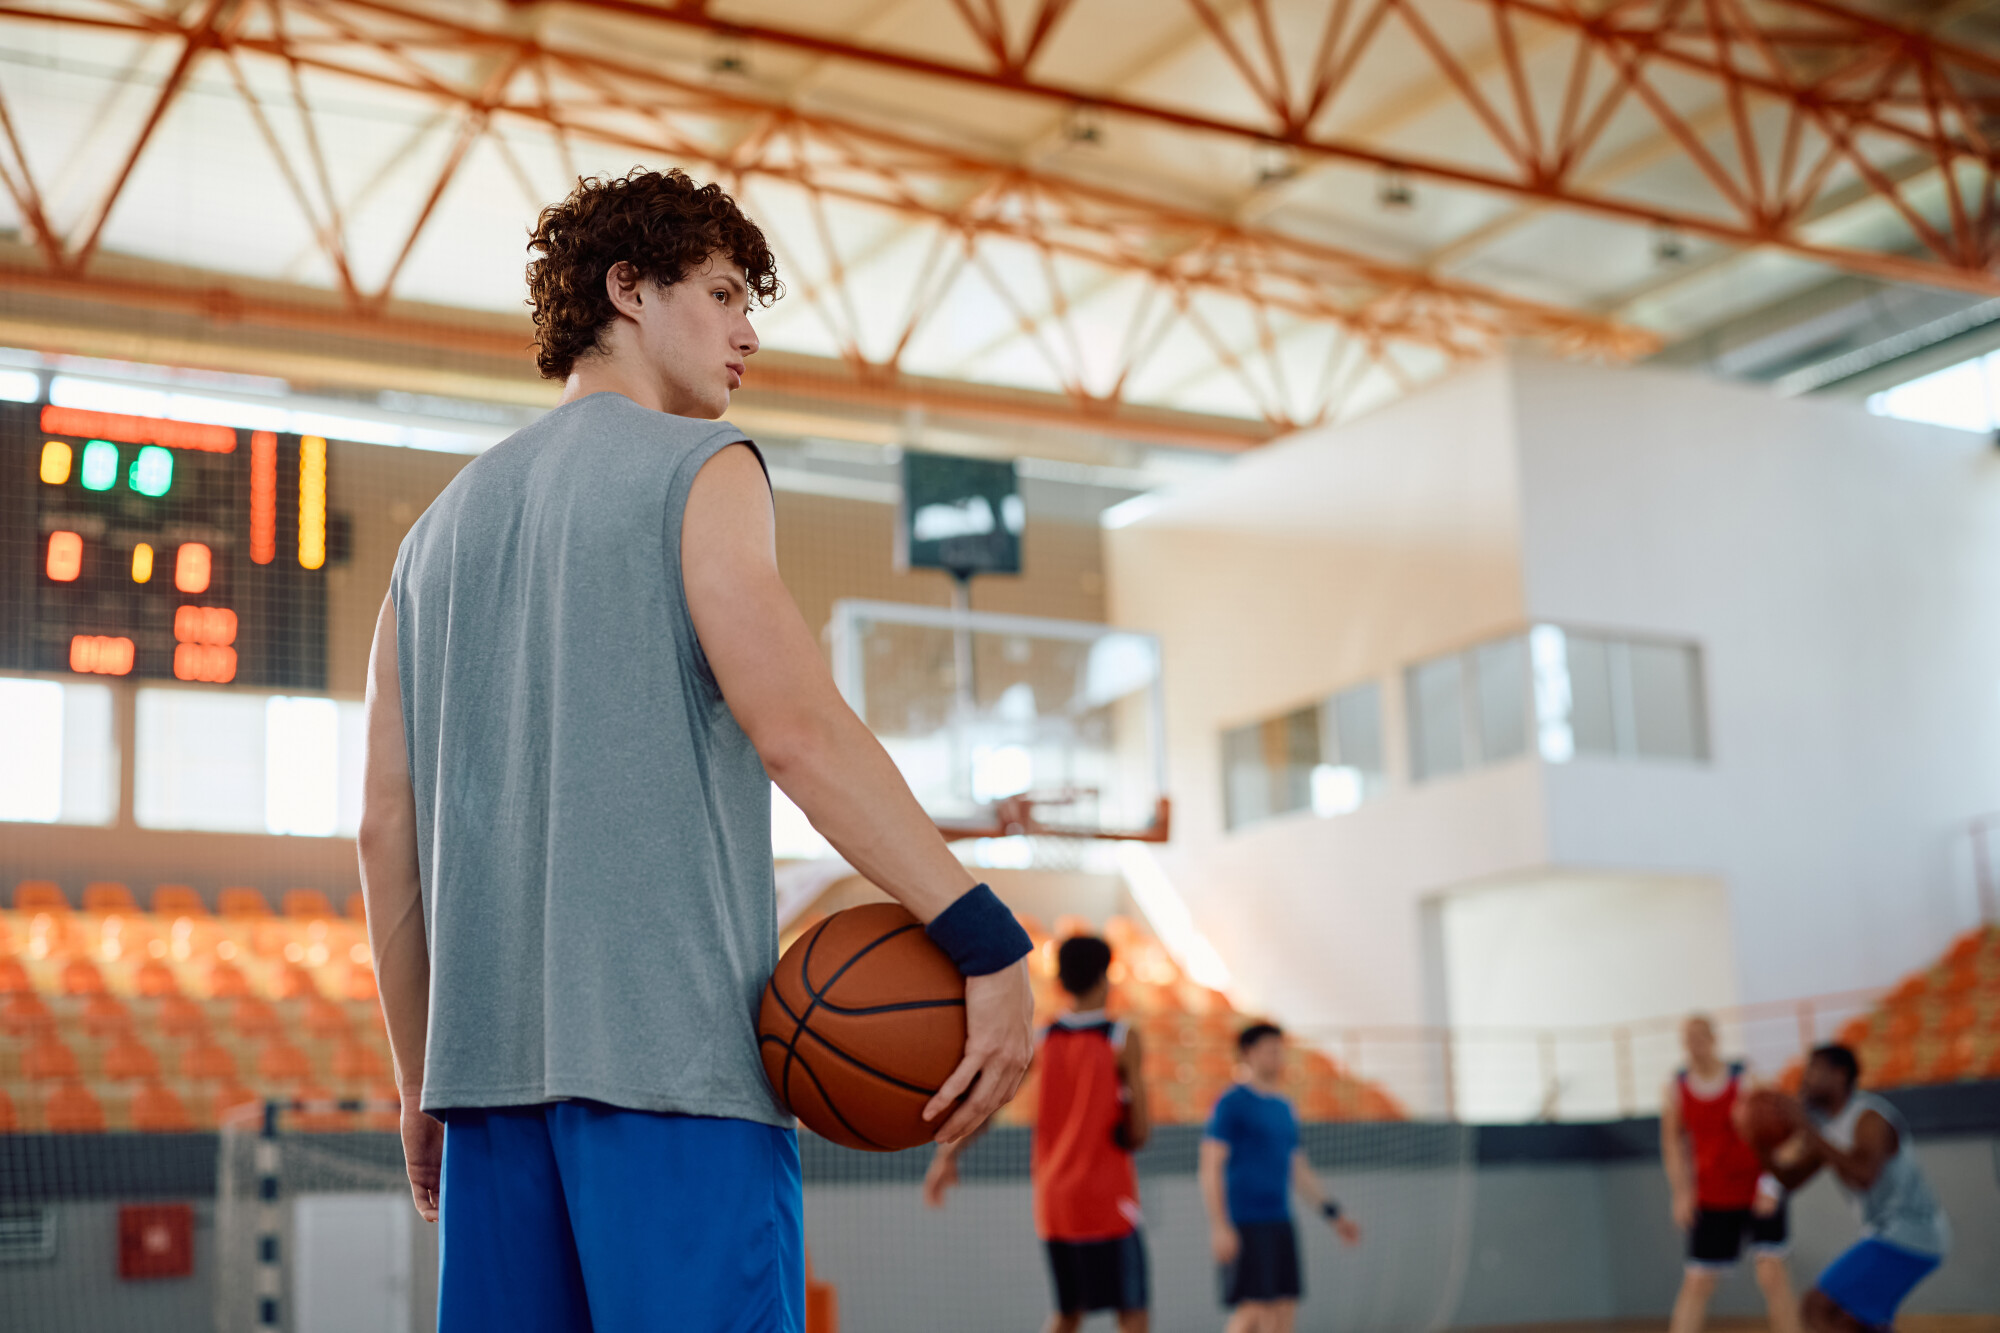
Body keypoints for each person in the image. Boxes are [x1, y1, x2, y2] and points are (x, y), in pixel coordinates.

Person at [357, 167, 1036, 1332]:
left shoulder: (430, 539)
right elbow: (798, 730)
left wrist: (425, 1079)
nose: (747, 333)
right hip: (673, 1078)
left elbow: (384, 836)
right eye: (722, 294)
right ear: (626, 288)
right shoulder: (701, 470)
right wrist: (981, 933)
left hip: (488, 1108)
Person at [925, 935, 1153, 1333]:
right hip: (1107, 1197)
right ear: (1104, 978)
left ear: (1062, 980)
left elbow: (989, 1105)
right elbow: (1139, 1133)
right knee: (1132, 1315)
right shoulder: (1121, 1037)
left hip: (1056, 1201)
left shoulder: (1041, 1038)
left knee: (1068, 1313)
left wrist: (947, 1156)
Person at [1760, 1045, 1951, 1333]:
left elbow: (1863, 1175)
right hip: (1891, 1234)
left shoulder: (1870, 1117)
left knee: (1817, 1306)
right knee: (1857, 1323)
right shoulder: (1826, 1125)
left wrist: (1808, 1128)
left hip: (1912, 1233)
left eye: (1813, 1069)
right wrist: (1759, 1145)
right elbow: (1791, 1179)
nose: (1805, 1078)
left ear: (1839, 1075)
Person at [1199, 1022, 1361, 1333]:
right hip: (1245, 1223)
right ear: (1248, 1053)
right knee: (1255, 1310)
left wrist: (1333, 1213)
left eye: (1280, 1050)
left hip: (1280, 1221)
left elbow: (1297, 1168)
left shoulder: (1284, 1107)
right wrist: (1220, 1225)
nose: (1278, 1056)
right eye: (1270, 1050)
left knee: (1285, 1309)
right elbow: (1210, 1166)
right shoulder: (1231, 1104)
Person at [1661, 1015, 1798, 1333]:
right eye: (1687, 1038)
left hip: (1756, 1190)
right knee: (1697, 1282)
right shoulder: (1677, 1088)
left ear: (1713, 1038)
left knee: (1772, 1274)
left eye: (1699, 1036)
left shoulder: (1745, 1078)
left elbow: (1785, 1133)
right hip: (1713, 1194)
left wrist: (1772, 1183)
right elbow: (1672, 1145)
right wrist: (1681, 1192)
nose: (1694, 1044)